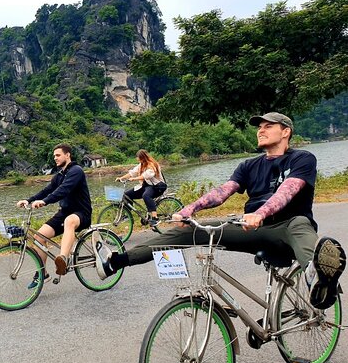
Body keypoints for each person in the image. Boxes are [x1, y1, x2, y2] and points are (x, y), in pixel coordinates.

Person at [99, 112, 345, 309]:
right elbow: (222, 191)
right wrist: (190, 209)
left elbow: (288, 191)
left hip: (287, 226)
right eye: (259, 127)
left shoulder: (302, 159)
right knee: (187, 231)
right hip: (250, 228)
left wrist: (260, 213)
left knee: (301, 226)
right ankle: (115, 262)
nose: (260, 130)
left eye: (268, 126)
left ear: (286, 132)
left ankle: (319, 281)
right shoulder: (249, 165)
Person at [16, 143, 92, 288]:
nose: (55, 158)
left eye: (58, 155)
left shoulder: (76, 171)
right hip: (64, 212)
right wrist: (29, 200)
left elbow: (63, 190)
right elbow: (47, 190)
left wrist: (44, 202)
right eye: (54, 156)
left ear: (67, 155)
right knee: (39, 237)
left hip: (81, 213)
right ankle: (42, 274)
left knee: (70, 221)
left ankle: (63, 259)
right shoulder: (59, 176)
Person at [115, 149, 168, 227]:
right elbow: (132, 173)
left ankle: (155, 218)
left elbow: (147, 175)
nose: (137, 159)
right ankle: (127, 214)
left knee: (146, 195)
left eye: (138, 157)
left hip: (156, 186)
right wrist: (121, 178)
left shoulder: (152, 165)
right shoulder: (141, 165)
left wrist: (135, 179)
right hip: (146, 186)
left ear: (143, 157)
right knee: (127, 195)